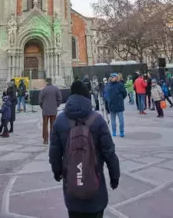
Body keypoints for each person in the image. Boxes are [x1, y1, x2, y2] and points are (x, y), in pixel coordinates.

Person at [49, 80, 120, 218]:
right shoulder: (97, 119)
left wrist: (56, 171)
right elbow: (109, 152)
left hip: (72, 185)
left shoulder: (60, 120)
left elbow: (54, 152)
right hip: (95, 186)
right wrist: (114, 175)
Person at [39, 77, 62, 145]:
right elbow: (60, 98)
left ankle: (45, 140)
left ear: (46, 82)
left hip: (45, 110)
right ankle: (53, 139)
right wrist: (56, 105)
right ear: (51, 81)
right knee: (53, 125)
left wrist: (43, 107)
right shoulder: (56, 89)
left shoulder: (43, 90)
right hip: (53, 110)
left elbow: (40, 101)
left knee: (45, 125)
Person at [104, 73, 127, 137]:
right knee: (113, 120)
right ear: (110, 78)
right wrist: (107, 99)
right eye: (112, 77)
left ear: (117, 78)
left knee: (121, 120)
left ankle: (121, 131)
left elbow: (124, 93)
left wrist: (121, 98)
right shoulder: (108, 85)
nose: (114, 78)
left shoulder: (120, 85)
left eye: (115, 77)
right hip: (111, 105)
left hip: (119, 105)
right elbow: (105, 94)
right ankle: (114, 131)